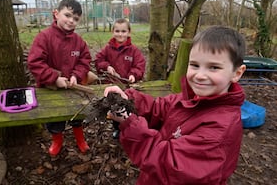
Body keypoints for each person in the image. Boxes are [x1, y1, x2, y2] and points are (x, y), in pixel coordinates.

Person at [104, 26, 247, 184]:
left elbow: (169, 165)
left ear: (237, 73)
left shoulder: (220, 129)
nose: (200, 75)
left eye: (214, 67)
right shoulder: (191, 99)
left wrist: (129, 123)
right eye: (194, 65)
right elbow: (159, 107)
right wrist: (128, 99)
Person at [28, 0, 97, 157]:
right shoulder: (44, 37)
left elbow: (85, 60)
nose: (71, 21)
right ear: (56, 14)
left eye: (75, 19)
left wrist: (76, 75)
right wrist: (54, 78)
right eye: (67, 15)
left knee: (78, 115)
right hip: (51, 90)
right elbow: (35, 62)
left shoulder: (79, 41)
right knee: (55, 120)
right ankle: (57, 141)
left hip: (74, 89)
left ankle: (80, 139)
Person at [95, 18, 146, 139]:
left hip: (126, 88)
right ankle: (117, 129)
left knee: (127, 110)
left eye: (123, 31)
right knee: (115, 111)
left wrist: (133, 75)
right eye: (117, 31)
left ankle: (128, 129)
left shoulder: (133, 51)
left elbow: (140, 65)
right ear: (113, 31)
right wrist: (106, 67)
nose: (120, 34)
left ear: (129, 32)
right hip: (112, 87)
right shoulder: (108, 48)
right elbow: (98, 60)